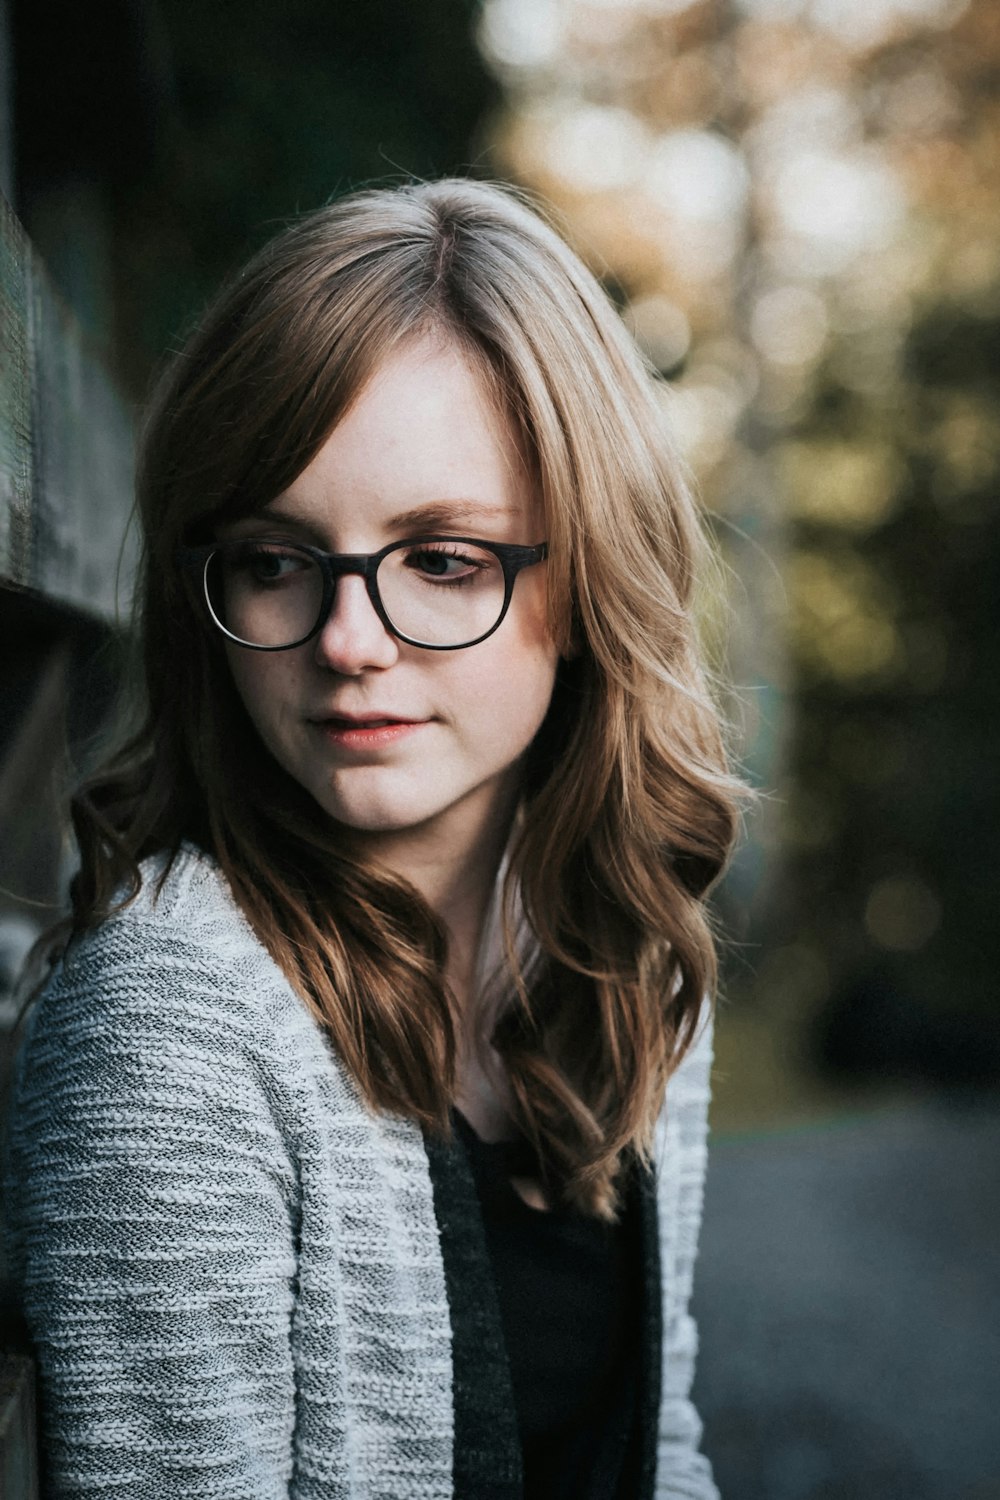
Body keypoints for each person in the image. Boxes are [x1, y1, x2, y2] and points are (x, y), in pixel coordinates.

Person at [3, 178, 742, 1499]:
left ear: (587, 580)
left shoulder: (624, 958)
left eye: (444, 559)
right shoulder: (171, 1029)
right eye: (277, 559)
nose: (348, 642)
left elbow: (660, 1447)